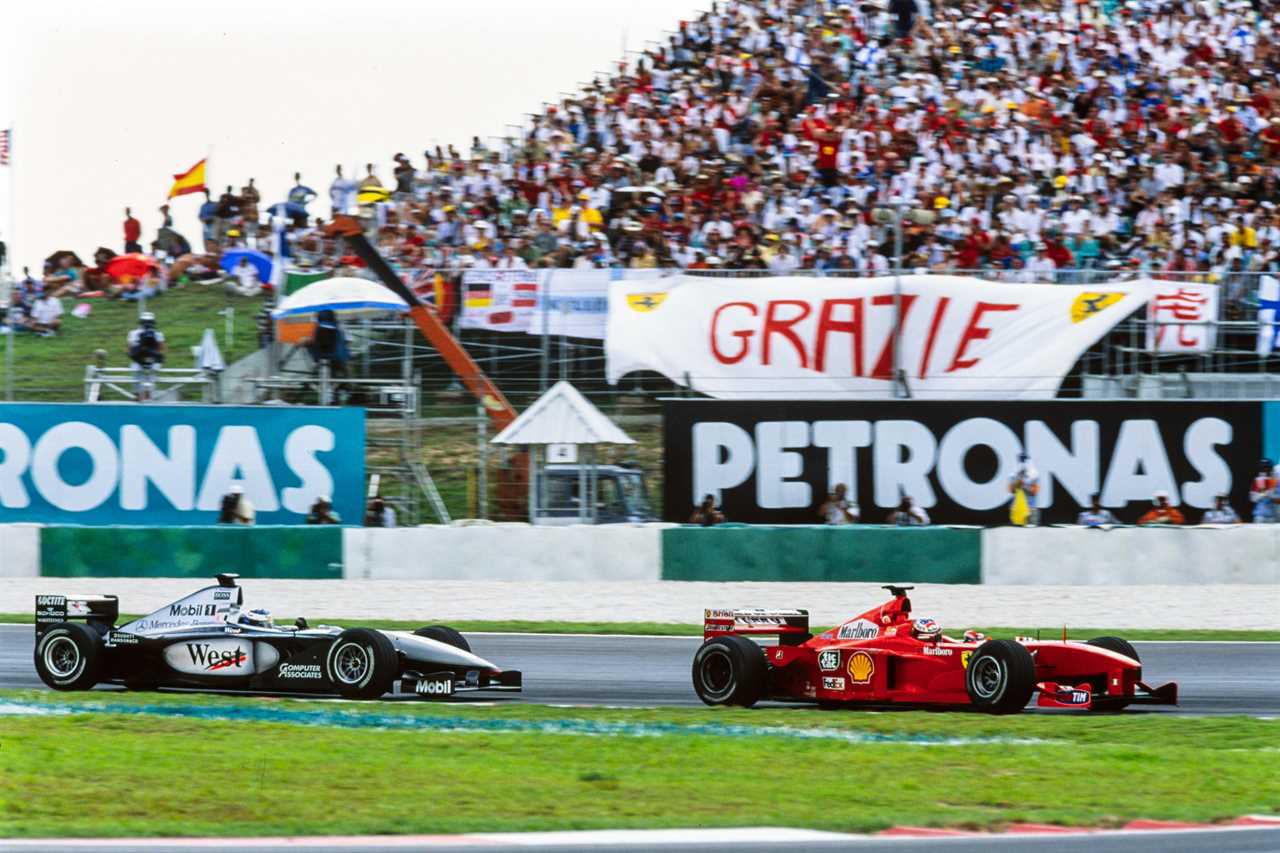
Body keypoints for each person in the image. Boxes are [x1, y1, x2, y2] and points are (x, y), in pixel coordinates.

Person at [126, 311, 166, 401]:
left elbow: (161, 348)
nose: (147, 324)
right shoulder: (133, 333)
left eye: (149, 322)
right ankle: (137, 397)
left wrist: (154, 354)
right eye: (145, 322)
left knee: (151, 379)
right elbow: (130, 349)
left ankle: (149, 398)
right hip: (137, 359)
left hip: (153, 359)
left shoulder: (158, 334)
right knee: (136, 377)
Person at [308, 309, 349, 377]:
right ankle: (349, 383)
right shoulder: (337, 326)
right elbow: (346, 340)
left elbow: (312, 341)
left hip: (319, 356)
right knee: (343, 368)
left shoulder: (317, 327)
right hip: (337, 356)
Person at [1008, 452, 1040, 526]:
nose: (1023, 464)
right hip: (1016, 511)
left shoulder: (1034, 475)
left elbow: (1034, 492)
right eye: (1021, 460)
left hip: (1030, 510)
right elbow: (1011, 490)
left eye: (1024, 460)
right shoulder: (1013, 475)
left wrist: (1024, 484)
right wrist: (1018, 480)